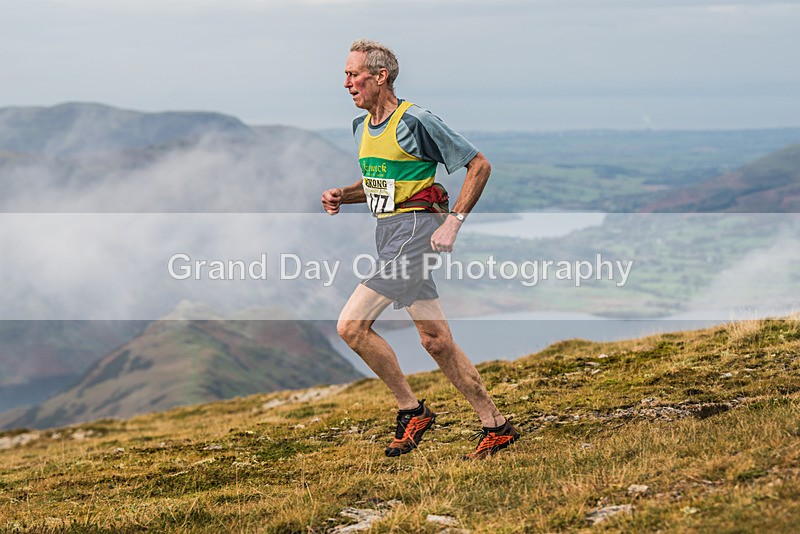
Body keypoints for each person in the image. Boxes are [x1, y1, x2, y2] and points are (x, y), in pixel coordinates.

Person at [321, 39, 519, 460]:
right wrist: (345, 194)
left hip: (415, 233)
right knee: (436, 341)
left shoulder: (417, 120)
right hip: (389, 233)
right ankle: (496, 426)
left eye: (353, 74)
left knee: (350, 327)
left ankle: (412, 410)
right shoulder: (362, 127)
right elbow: (383, 185)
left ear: (381, 76)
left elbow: (479, 164)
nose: (346, 83)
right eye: (345, 74)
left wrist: (454, 221)